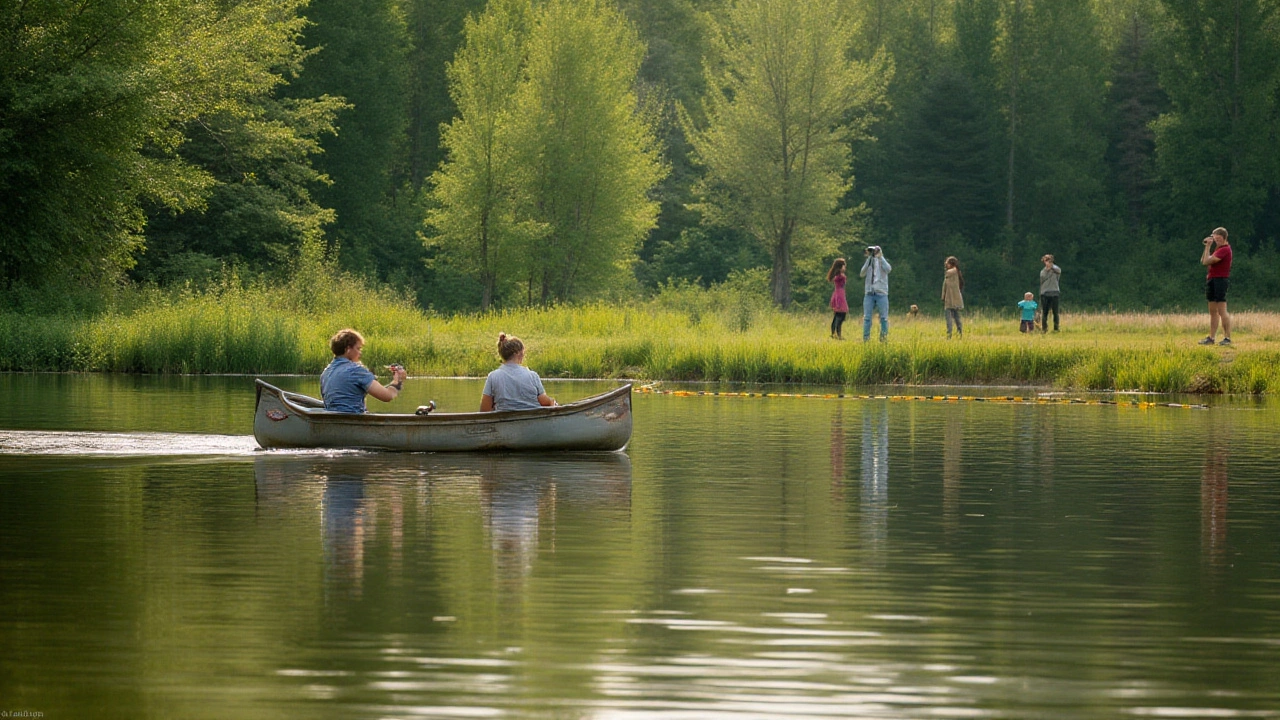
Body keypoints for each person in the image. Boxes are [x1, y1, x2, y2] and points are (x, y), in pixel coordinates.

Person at [320, 328, 406, 413]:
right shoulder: (356, 371)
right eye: (358, 348)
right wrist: (398, 380)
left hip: (333, 422)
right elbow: (387, 396)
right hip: (354, 422)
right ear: (348, 349)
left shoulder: (326, 372)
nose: (360, 353)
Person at [481, 333, 557, 411]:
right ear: (519, 353)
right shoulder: (532, 376)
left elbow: (484, 410)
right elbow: (545, 402)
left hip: (504, 420)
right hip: (532, 420)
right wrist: (552, 401)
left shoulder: (493, 376)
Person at [1199, 227, 1233, 346]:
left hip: (1220, 280)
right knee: (1213, 311)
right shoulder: (1217, 249)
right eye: (1215, 238)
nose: (1216, 241)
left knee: (1222, 310)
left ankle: (1227, 338)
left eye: (1218, 239)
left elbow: (1209, 261)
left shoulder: (1224, 250)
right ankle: (1211, 338)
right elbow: (1204, 261)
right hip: (1212, 280)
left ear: (1223, 238)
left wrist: (1209, 251)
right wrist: (1207, 246)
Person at [859, 245, 892, 342]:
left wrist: (880, 256)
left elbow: (888, 269)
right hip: (869, 293)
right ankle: (866, 340)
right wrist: (869, 258)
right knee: (867, 318)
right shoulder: (869, 262)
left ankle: (883, 339)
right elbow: (862, 273)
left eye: (875, 251)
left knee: (884, 318)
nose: (874, 253)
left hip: (881, 293)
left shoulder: (882, 261)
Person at [942, 256, 964, 339]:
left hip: (950, 300)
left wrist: (943, 296)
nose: (946, 265)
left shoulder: (951, 272)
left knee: (949, 319)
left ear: (951, 264)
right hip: (954, 299)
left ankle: (949, 335)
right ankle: (959, 333)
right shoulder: (956, 272)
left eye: (947, 263)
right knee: (956, 317)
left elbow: (945, 285)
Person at [827, 258, 848, 340]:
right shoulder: (840, 276)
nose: (845, 268)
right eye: (844, 266)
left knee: (837, 315)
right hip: (840, 295)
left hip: (837, 294)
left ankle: (834, 333)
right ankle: (837, 334)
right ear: (840, 267)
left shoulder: (836, 276)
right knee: (841, 315)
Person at [1039, 254, 1061, 333]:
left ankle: (1056, 328)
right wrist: (1048, 269)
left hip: (1055, 292)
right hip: (1045, 293)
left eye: (1049, 261)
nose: (1048, 263)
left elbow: (1058, 271)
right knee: (1045, 312)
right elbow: (1043, 277)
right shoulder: (1043, 271)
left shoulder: (1056, 269)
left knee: (1056, 312)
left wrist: (1052, 267)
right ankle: (1044, 328)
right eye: (1046, 261)